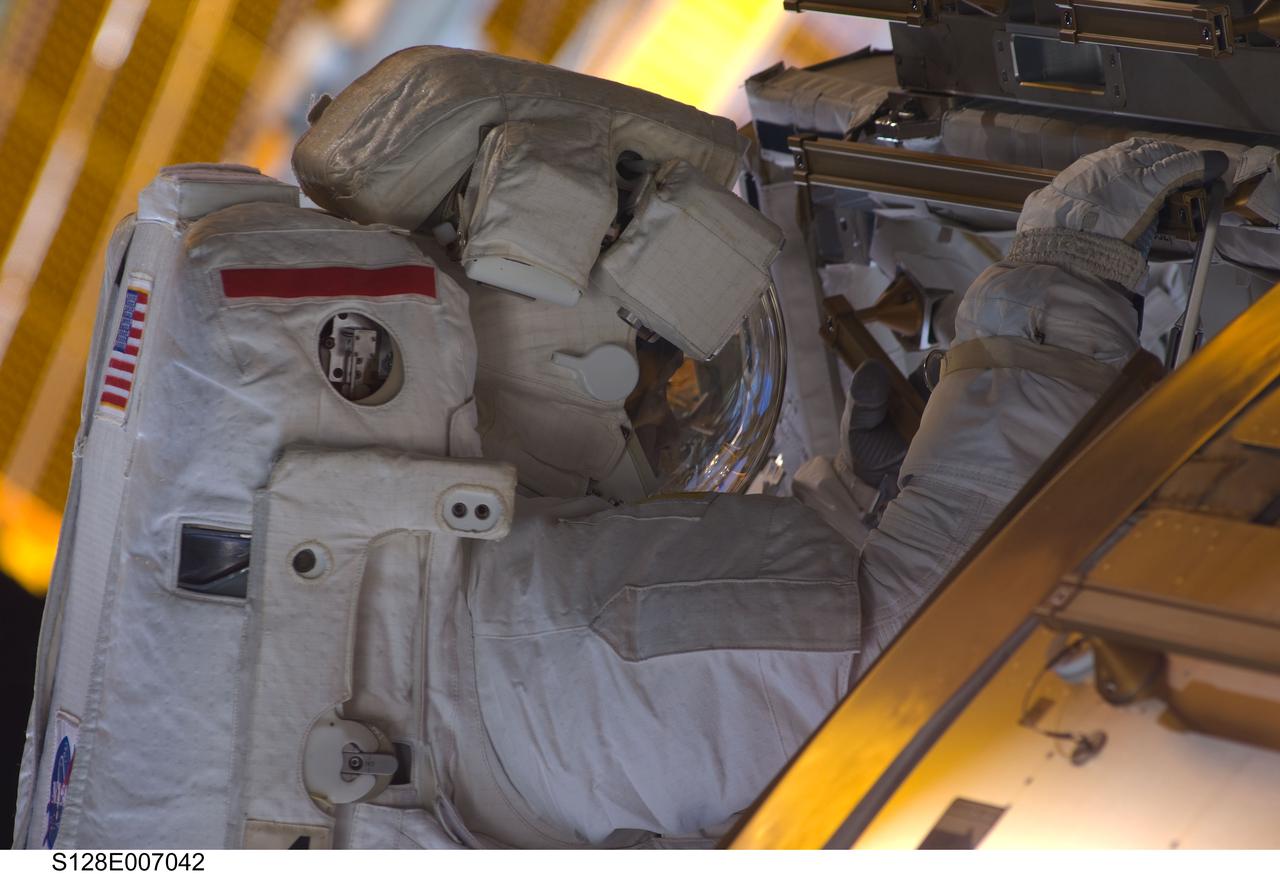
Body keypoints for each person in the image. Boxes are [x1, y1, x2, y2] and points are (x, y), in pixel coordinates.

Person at [15, 44, 1221, 850]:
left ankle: (1060, 269)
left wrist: (1059, 287)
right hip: (431, 709)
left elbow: (921, 645)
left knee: (915, 662)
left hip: (454, 697)